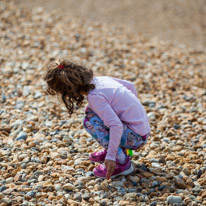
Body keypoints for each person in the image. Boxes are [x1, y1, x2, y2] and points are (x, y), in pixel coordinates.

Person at [44, 59, 150, 179]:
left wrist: (111, 156)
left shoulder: (94, 96)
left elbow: (116, 125)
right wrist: (132, 113)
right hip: (142, 131)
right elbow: (130, 86)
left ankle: (120, 161)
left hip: (136, 138)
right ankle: (116, 148)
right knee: (91, 111)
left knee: (89, 121)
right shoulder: (101, 80)